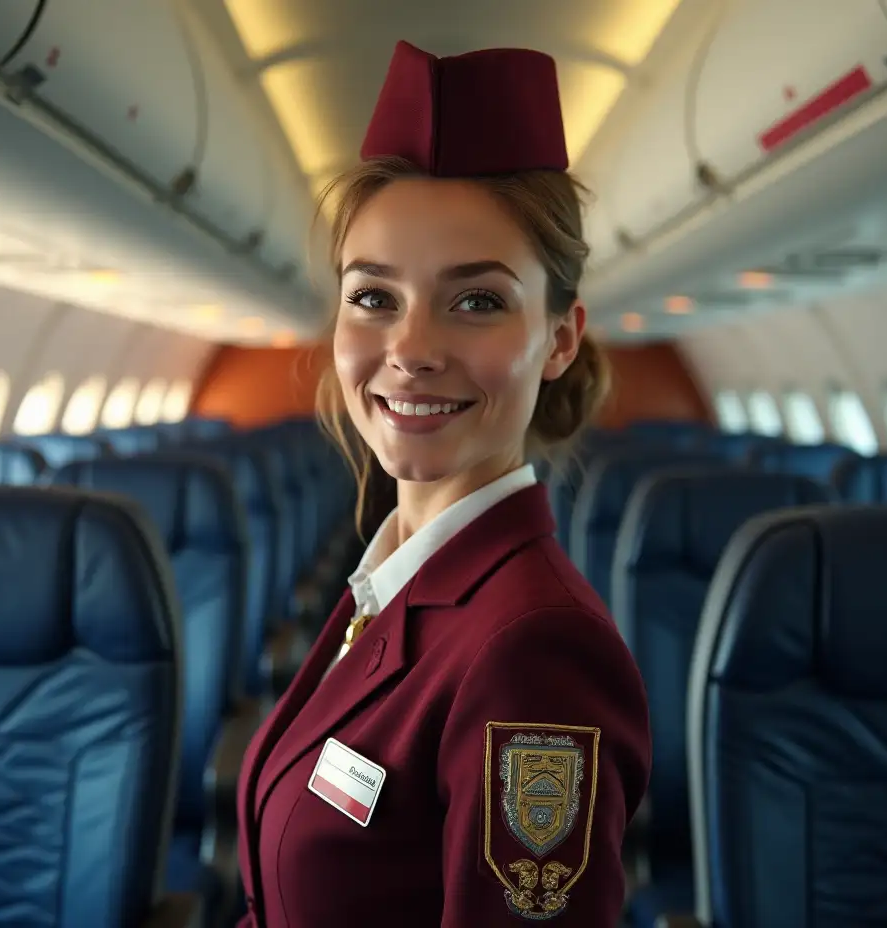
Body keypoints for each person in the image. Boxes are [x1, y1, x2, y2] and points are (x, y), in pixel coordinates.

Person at [234, 39, 652, 927]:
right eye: (374, 297)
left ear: (560, 337)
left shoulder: (536, 654)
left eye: (476, 300)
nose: (412, 350)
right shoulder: (388, 588)